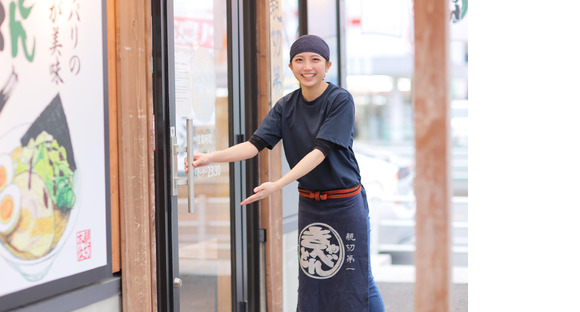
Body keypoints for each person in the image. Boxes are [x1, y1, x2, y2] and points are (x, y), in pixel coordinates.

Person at [187, 34, 385, 311]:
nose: (307, 66)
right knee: (313, 279)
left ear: (327, 66)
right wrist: (211, 157)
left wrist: (278, 184)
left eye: (315, 60)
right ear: (291, 67)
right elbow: (254, 145)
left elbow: (320, 152)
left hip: (344, 203)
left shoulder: (340, 100)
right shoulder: (285, 106)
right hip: (310, 205)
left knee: (357, 281)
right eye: (299, 60)